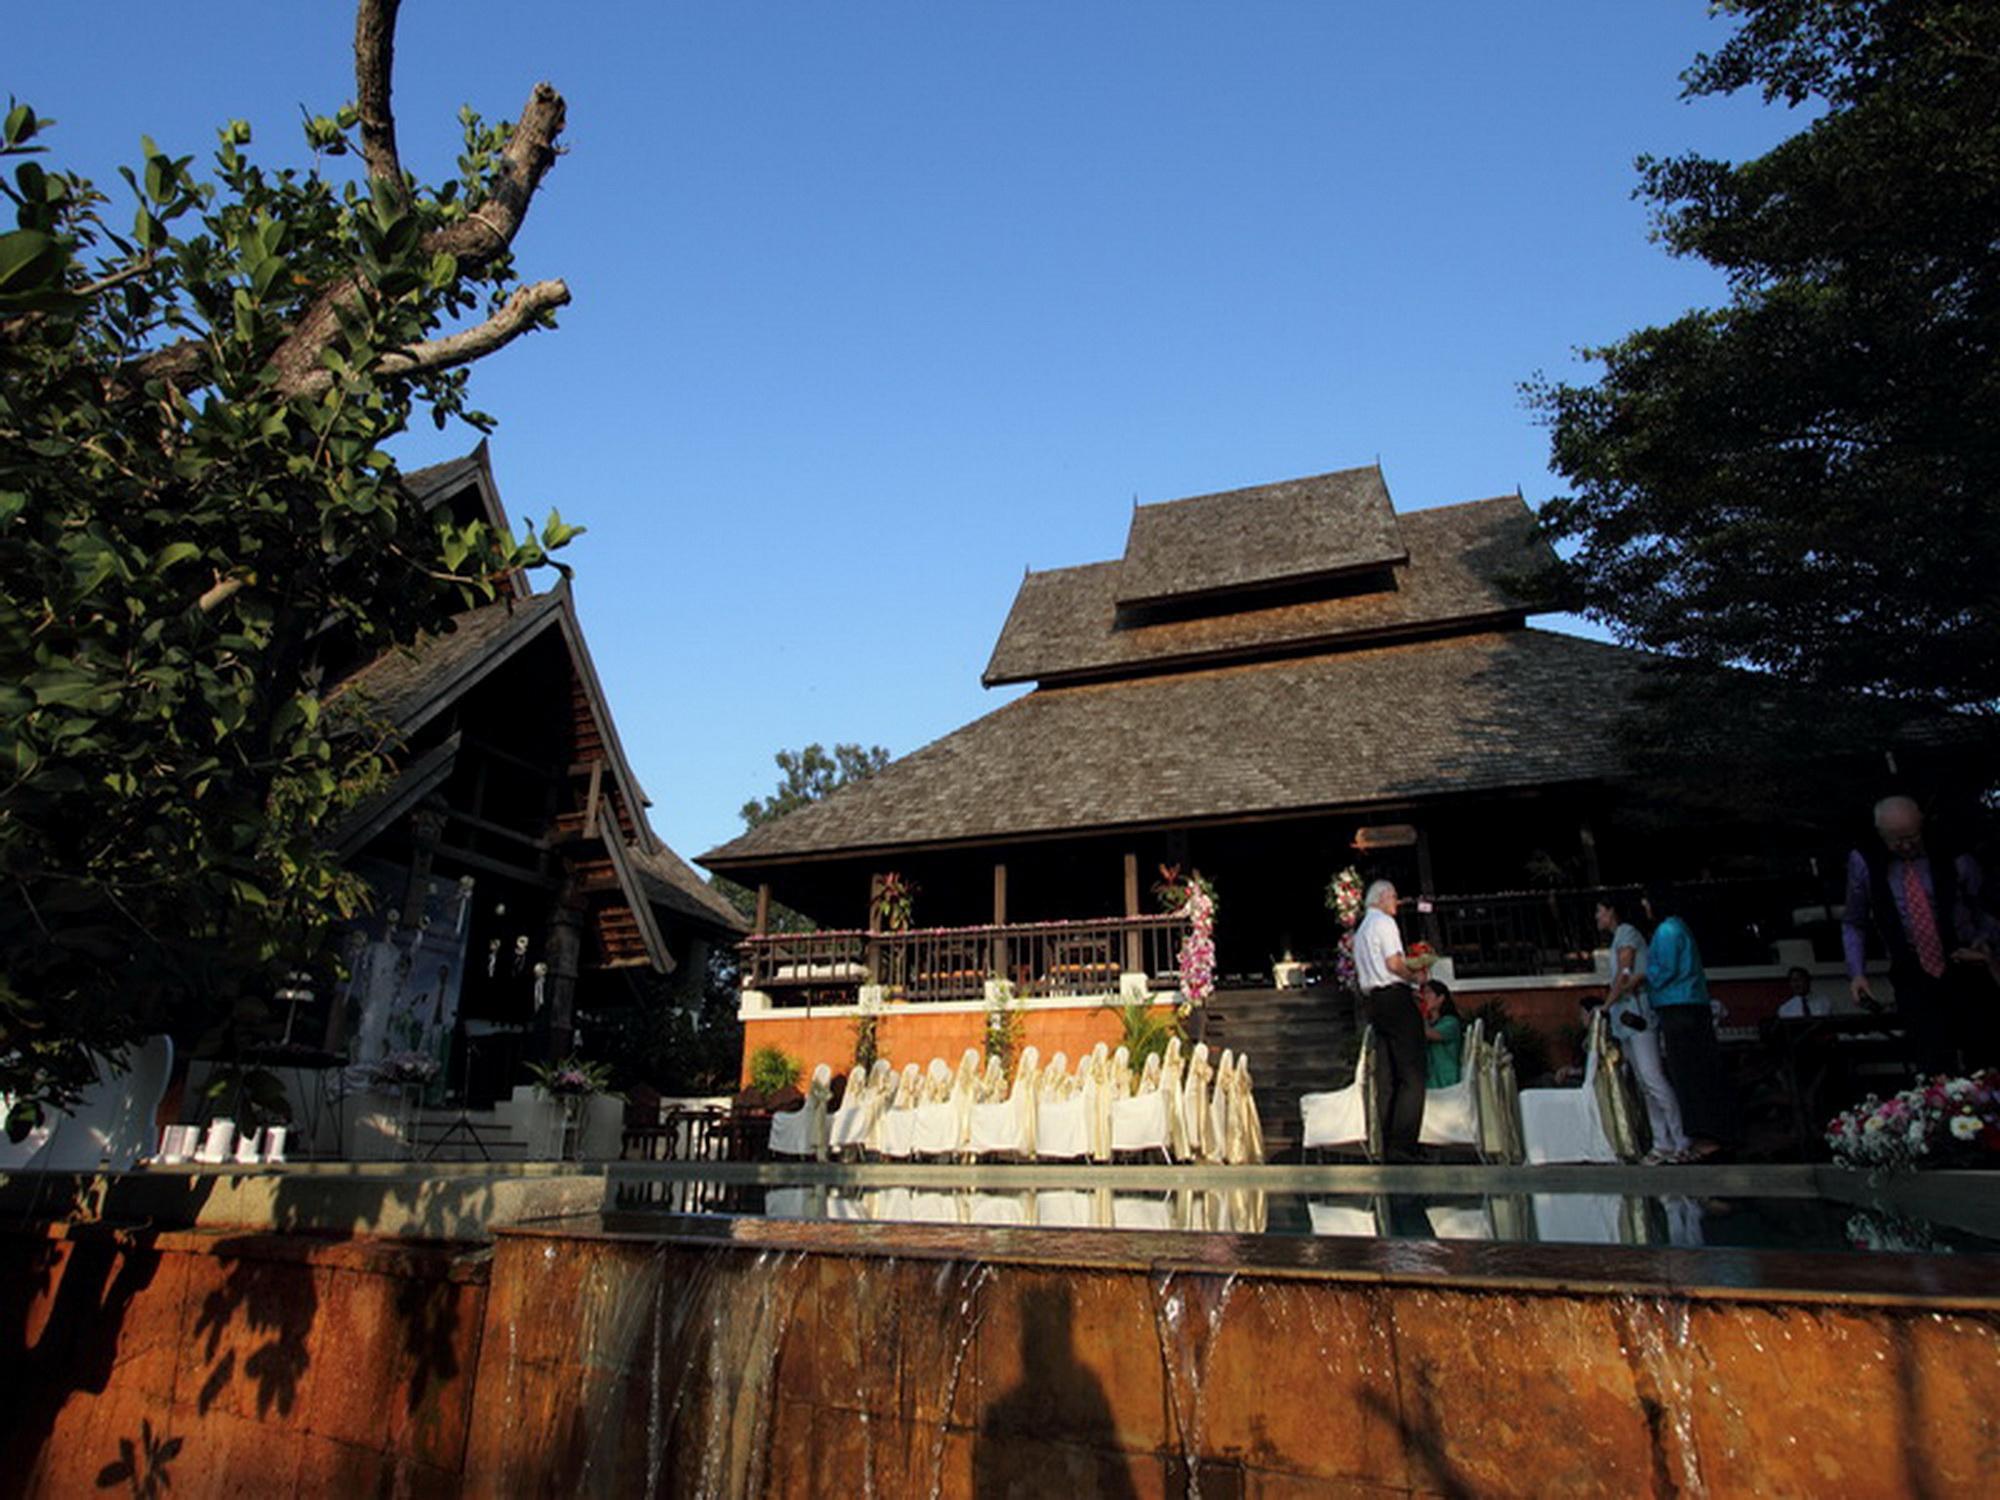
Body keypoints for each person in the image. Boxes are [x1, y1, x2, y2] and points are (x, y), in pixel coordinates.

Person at [1843, 794, 2000, 1074]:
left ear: (1922, 826)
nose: (1905, 846)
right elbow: (1854, 922)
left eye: (1912, 837)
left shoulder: (1953, 854)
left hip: (1964, 963)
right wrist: (1857, 972)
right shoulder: (1865, 862)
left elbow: (1985, 909)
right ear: (1881, 835)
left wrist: (1983, 943)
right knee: (1933, 1061)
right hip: (1912, 971)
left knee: (1984, 1054)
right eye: (1896, 840)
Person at [1643, 883, 1735, 1159]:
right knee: (1691, 1072)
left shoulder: (1668, 930)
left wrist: (1646, 980)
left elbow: (1665, 969)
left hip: (1680, 1007)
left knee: (1689, 1074)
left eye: (1647, 901)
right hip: (1685, 1006)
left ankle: (1706, 1138)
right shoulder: (1677, 928)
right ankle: (1705, 1135)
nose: (1644, 907)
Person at [1597, 894, 1689, 1164]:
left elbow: (1625, 974)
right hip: (1624, 1018)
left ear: (1611, 912)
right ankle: (1662, 1142)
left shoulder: (1627, 933)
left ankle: (1681, 1137)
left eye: (1600, 911)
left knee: (1652, 1077)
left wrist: (1606, 1004)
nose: (1597, 917)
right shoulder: (1617, 938)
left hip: (1637, 1014)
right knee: (1643, 1083)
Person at [1353, 879, 1426, 1160]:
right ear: (1382, 898)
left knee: (1387, 1074)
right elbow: (1394, 963)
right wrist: (1415, 977)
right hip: (1394, 997)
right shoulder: (1383, 923)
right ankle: (1403, 1144)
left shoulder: (1361, 931)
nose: (1396, 902)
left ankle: (1383, 1140)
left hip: (1374, 1002)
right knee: (1411, 1073)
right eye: (1394, 897)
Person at [1419, 979, 1462, 1088]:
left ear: (1441, 998)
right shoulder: (1429, 1023)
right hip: (1428, 1080)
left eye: (1429, 993)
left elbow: (1432, 1035)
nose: (1425, 997)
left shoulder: (1451, 1022)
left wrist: (1421, 1013)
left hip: (1446, 1080)